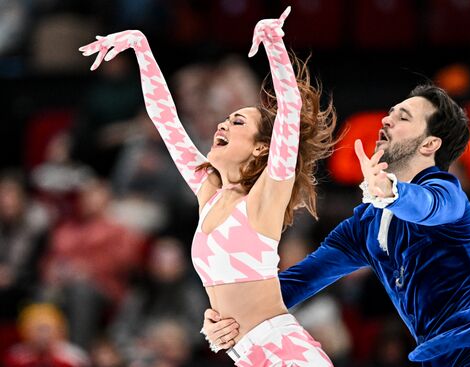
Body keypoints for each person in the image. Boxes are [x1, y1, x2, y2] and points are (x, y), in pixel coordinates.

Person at [202, 84, 470, 367]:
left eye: (403, 117)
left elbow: (429, 207)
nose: (386, 119)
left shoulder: (447, 194)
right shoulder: (365, 226)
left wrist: (392, 192)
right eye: (390, 112)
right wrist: (230, 315)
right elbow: (298, 281)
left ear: (429, 145)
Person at [80, 7, 336, 367]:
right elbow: (166, 121)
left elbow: (289, 116)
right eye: (226, 119)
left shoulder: (265, 196)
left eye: (237, 121)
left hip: (283, 350)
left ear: (262, 146)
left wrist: (275, 44)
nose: (222, 124)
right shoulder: (209, 192)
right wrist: (141, 47)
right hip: (245, 353)